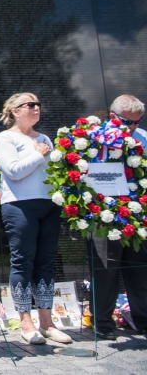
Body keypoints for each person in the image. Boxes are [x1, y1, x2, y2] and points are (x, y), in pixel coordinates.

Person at [0, 92, 71, 345]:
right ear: (16, 111)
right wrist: (38, 155)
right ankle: (26, 323)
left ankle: (47, 322)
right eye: (30, 104)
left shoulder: (44, 138)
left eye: (38, 103)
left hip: (48, 205)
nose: (37, 108)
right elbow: (13, 171)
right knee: (22, 262)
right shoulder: (6, 137)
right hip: (19, 205)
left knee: (45, 263)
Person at [89, 94, 147, 340]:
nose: (133, 127)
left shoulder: (143, 137)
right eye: (128, 122)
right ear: (114, 117)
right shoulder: (95, 137)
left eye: (138, 122)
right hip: (105, 212)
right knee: (106, 270)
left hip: (139, 213)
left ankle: (143, 320)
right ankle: (102, 323)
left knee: (140, 270)